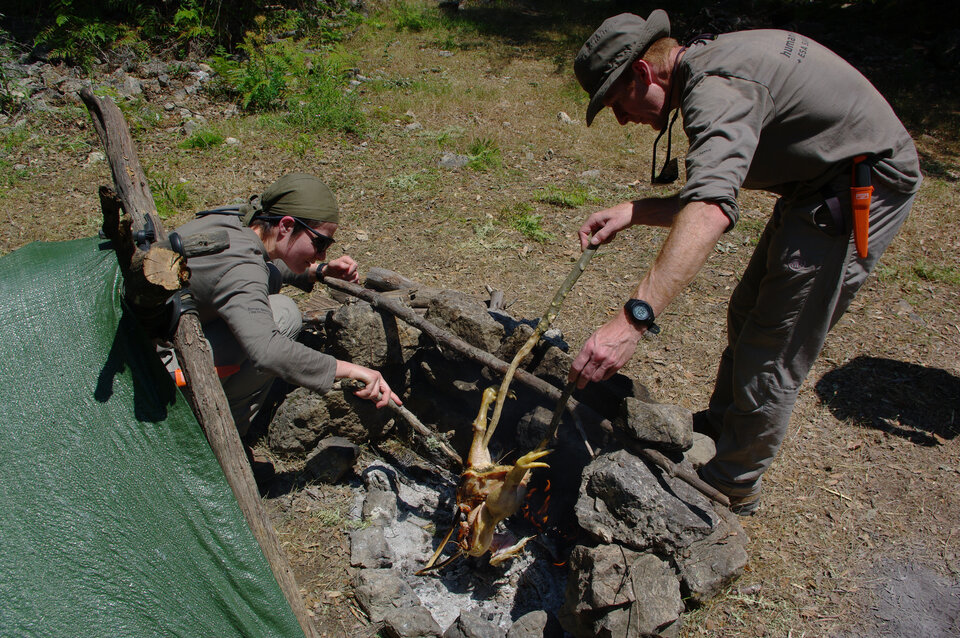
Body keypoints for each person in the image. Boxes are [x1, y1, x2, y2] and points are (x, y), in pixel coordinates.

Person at [568, 11, 921, 514]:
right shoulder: (706, 69)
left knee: (773, 343)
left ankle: (729, 484)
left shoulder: (715, 91)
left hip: (862, 183)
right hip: (818, 181)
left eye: (618, 102)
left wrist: (633, 320)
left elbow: (710, 210)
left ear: (644, 74)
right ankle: (719, 431)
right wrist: (634, 211)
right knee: (747, 308)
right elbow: (711, 193)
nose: (622, 119)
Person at [165, 173, 401, 442]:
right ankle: (212, 441)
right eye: (319, 242)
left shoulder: (239, 222)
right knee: (284, 315)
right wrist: (352, 369)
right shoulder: (241, 264)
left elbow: (265, 264)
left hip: (162, 335)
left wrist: (319, 271)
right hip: (160, 370)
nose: (323, 253)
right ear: (287, 225)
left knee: (274, 290)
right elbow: (268, 351)